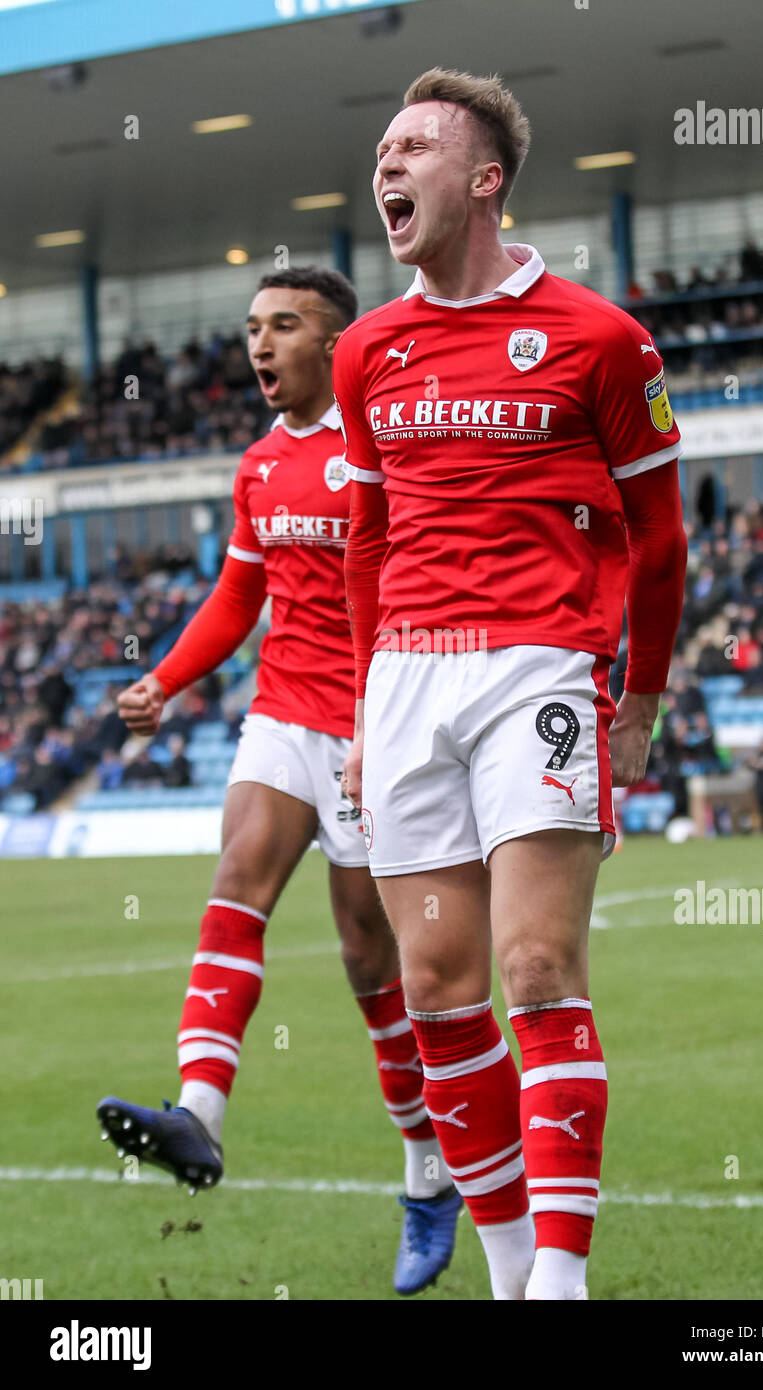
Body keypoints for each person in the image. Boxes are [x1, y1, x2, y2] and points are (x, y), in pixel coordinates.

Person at [335, 68, 687, 1300]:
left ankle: (563, 1284)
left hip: (538, 668)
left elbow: (661, 539)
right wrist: (367, 714)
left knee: (537, 969)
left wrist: (637, 699)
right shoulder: (365, 351)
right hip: (403, 684)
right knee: (437, 987)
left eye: (414, 146)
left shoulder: (601, 339)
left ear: (483, 180)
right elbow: (369, 545)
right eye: (381, 148)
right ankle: (507, 1272)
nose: (388, 164)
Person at [97, 266, 459, 1296]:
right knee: (237, 876)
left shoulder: (387, 448)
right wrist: (163, 678)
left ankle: (428, 1172)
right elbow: (238, 593)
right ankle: (198, 1115)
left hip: (375, 728)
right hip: (284, 711)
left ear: (339, 343)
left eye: (286, 325)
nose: (261, 344)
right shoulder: (260, 464)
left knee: (367, 958)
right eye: (253, 327)